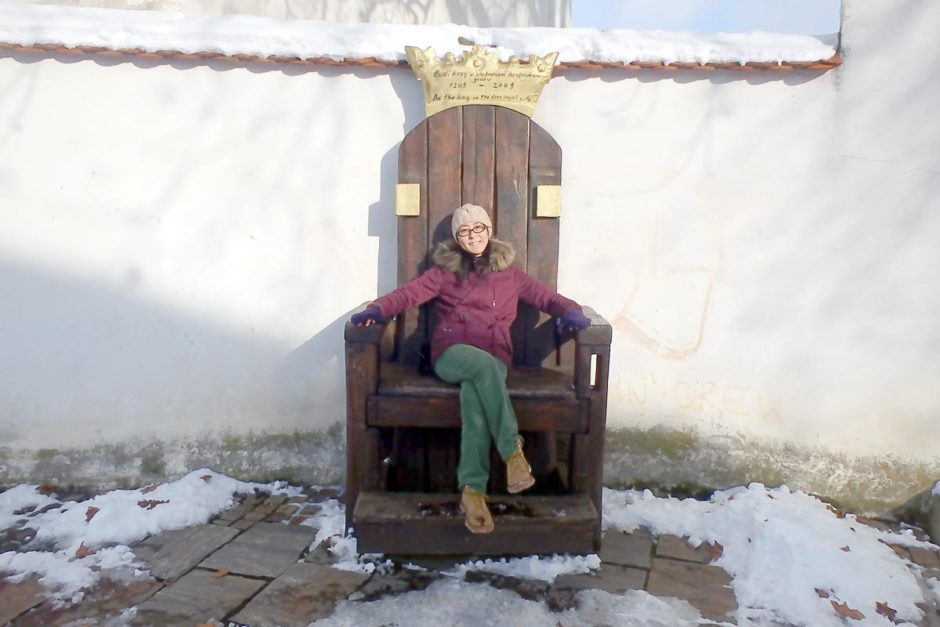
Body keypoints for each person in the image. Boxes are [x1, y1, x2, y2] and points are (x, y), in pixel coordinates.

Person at [351, 204, 591, 534]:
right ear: (457, 239)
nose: (473, 236)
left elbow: (547, 298)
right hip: (451, 352)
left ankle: (472, 492)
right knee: (481, 369)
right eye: (465, 231)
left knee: (475, 401)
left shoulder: (511, 274)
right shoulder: (443, 273)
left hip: (493, 359)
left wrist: (573, 312)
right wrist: (378, 309)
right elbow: (409, 294)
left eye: (478, 228)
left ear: (489, 231)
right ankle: (512, 452)